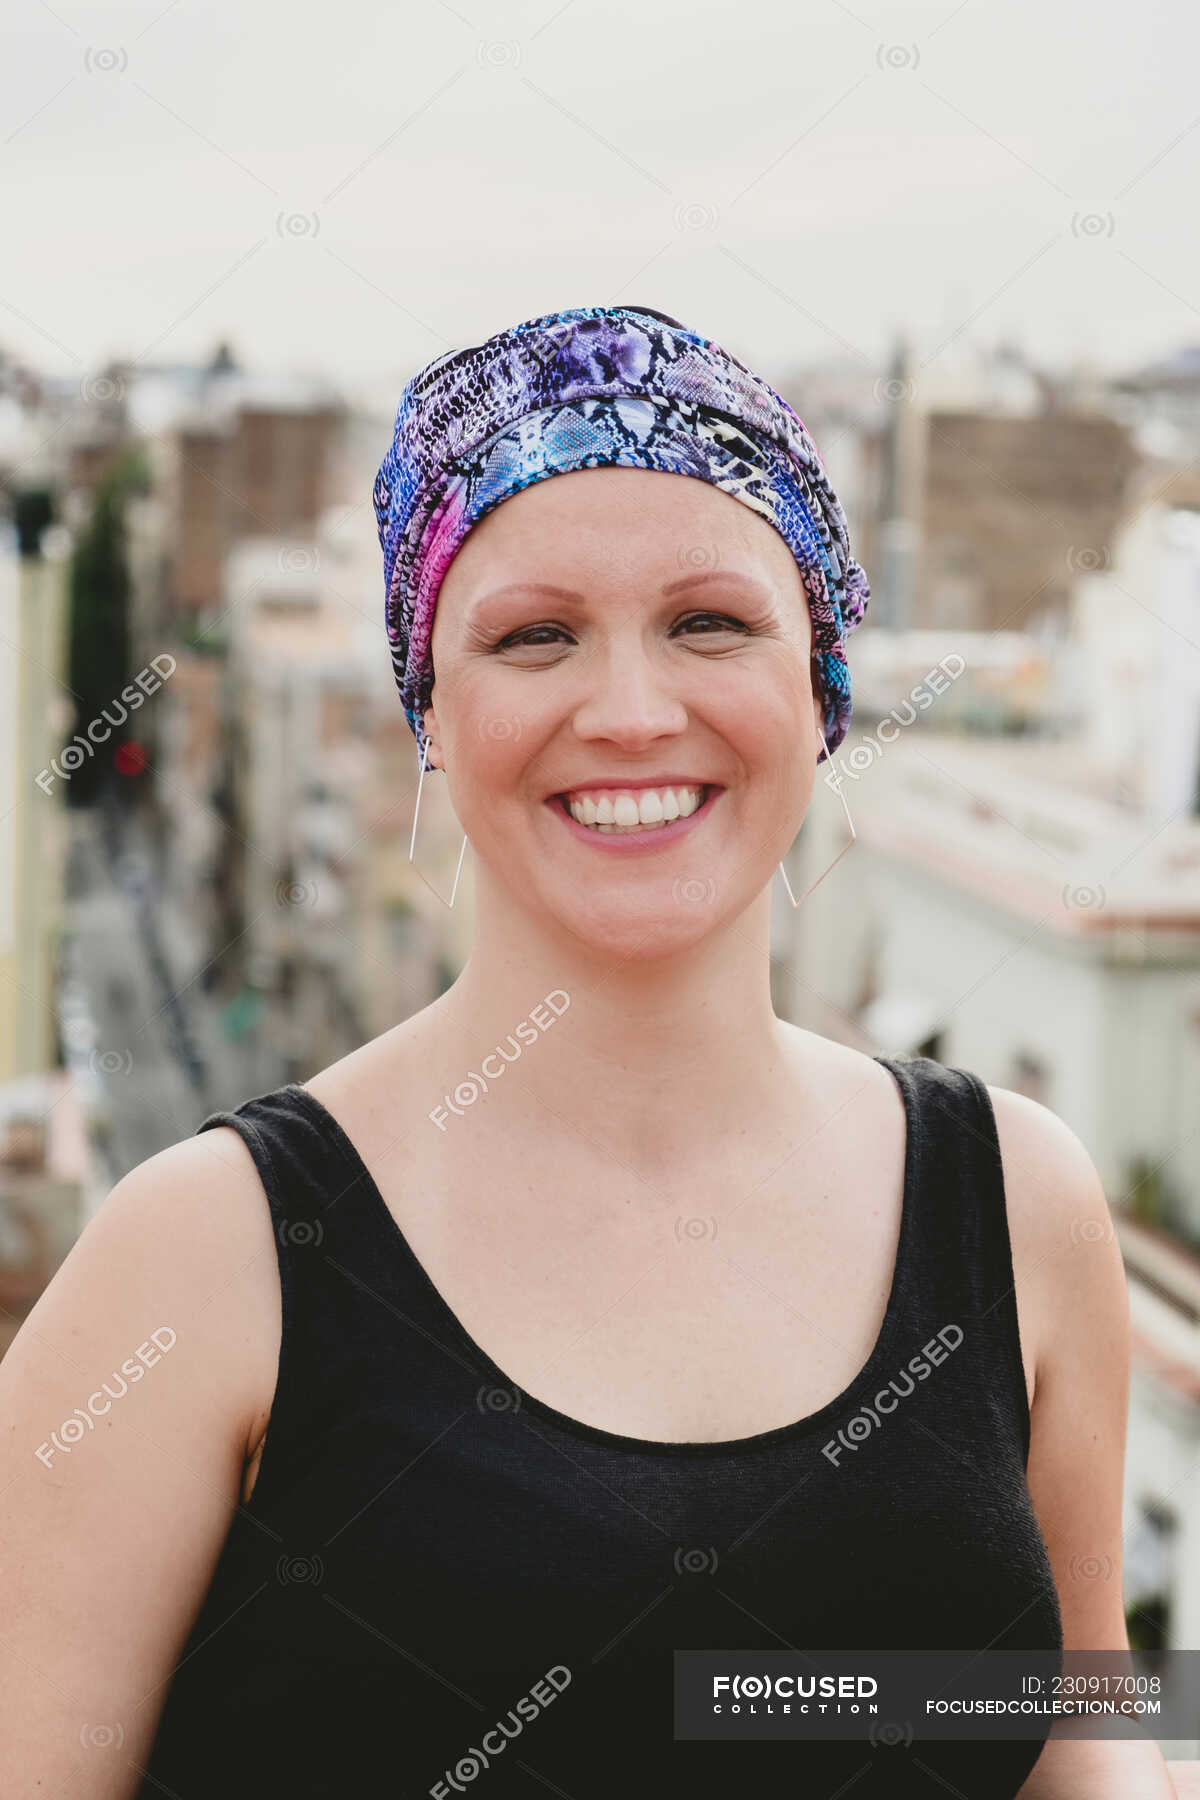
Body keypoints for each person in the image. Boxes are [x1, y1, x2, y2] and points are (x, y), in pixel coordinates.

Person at [0, 305, 1177, 1798]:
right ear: (432, 710)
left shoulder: (1013, 1203)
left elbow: (1093, 1750)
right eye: (534, 635)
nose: (630, 712)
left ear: (820, 687)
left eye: (709, 622)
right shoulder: (202, 1262)